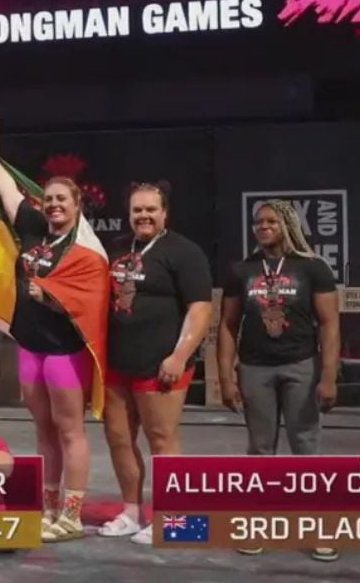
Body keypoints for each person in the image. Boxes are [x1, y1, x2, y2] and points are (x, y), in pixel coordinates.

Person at [0, 153, 112, 542]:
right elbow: (5, 186)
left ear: (77, 205)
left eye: (62, 200)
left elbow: (90, 302)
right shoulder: (34, 229)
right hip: (30, 346)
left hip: (63, 351)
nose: (55, 205)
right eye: (49, 199)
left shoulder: (86, 252)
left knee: (70, 430)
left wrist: (53, 299)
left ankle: (71, 516)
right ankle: (49, 507)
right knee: (42, 428)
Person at [217, 199, 340, 561]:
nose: (263, 227)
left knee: (305, 446)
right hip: (255, 368)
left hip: (301, 365)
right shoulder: (242, 270)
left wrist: (329, 376)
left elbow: (330, 325)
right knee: (260, 449)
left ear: (288, 224)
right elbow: (227, 325)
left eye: (271, 221)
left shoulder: (312, 268)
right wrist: (225, 376)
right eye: (259, 222)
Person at [99, 182, 213, 545]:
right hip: (117, 363)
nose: (143, 216)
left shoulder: (185, 252)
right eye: (137, 210)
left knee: (162, 440)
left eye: (151, 209)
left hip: (161, 364)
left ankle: (174, 520)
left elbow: (200, 309)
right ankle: (132, 513)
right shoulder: (116, 248)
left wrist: (180, 355)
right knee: (118, 438)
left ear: (165, 213)